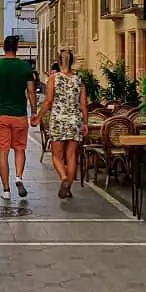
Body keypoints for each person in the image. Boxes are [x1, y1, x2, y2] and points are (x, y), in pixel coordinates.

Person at [0, 35, 37, 200]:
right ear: (17, 48)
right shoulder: (25, 67)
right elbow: (31, 91)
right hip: (20, 114)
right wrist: (34, 111)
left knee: (3, 152)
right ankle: (18, 177)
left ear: (3, 48)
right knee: (20, 149)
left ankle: (6, 190)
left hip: (2, 115)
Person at [33, 49, 88, 198]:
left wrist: (38, 117)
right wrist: (85, 123)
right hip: (75, 120)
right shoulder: (79, 79)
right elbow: (83, 104)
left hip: (58, 120)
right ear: (72, 61)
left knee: (56, 155)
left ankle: (64, 178)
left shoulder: (53, 78)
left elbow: (48, 101)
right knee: (71, 156)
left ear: (58, 61)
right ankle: (68, 186)